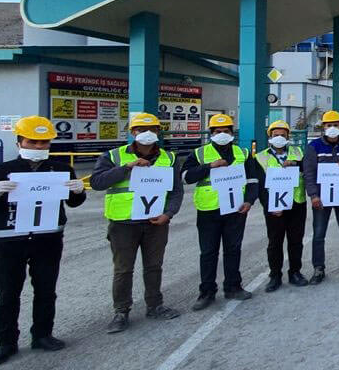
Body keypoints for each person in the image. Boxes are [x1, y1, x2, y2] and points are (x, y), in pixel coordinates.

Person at [0, 116, 85, 368]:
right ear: (19, 142)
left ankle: (42, 335)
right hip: (10, 242)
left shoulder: (61, 169)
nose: (39, 147)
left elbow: (72, 203)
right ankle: (6, 343)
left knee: (46, 290)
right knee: (7, 293)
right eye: (33, 142)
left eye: (44, 143)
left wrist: (78, 192)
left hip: (48, 240)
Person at [89, 112, 183, 333]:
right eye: (141, 130)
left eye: (152, 130)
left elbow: (176, 192)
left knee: (154, 266)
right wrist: (127, 168)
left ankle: (155, 305)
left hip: (155, 222)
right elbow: (97, 182)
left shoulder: (168, 159)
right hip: (123, 223)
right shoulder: (113, 156)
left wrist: (168, 214)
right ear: (132, 132)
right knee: (123, 269)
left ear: (159, 132)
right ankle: (121, 311)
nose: (147, 134)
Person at [181, 113, 260, 311]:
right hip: (209, 210)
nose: (222, 134)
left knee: (233, 249)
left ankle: (233, 286)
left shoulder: (242, 153)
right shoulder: (199, 154)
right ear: (211, 133)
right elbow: (185, 177)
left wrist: (250, 200)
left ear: (232, 133)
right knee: (208, 252)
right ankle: (207, 292)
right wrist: (208, 167)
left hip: (236, 209)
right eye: (217, 131)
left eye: (226, 131)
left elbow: (252, 179)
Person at [303, 110, 339, 284]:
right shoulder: (314, 147)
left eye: (335, 125)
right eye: (329, 125)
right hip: (321, 197)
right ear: (323, 127)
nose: (332, 128)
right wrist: (313, 195)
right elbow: (309, 173)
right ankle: (319, 268)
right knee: (319, 234)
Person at [257, 120, 308, 292]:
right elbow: (260, 186)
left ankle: (295, 272)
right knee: (275, 242)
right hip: (274, 207)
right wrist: (270, 205)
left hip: (296, 203)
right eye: (275, 135)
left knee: (296, 241)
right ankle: (275, 276)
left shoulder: (298, 152)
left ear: (288, 136)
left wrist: (296, 164)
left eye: (282, 135)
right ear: (270, 137)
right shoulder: (261, 157)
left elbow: (308, 169)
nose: (279, 138)